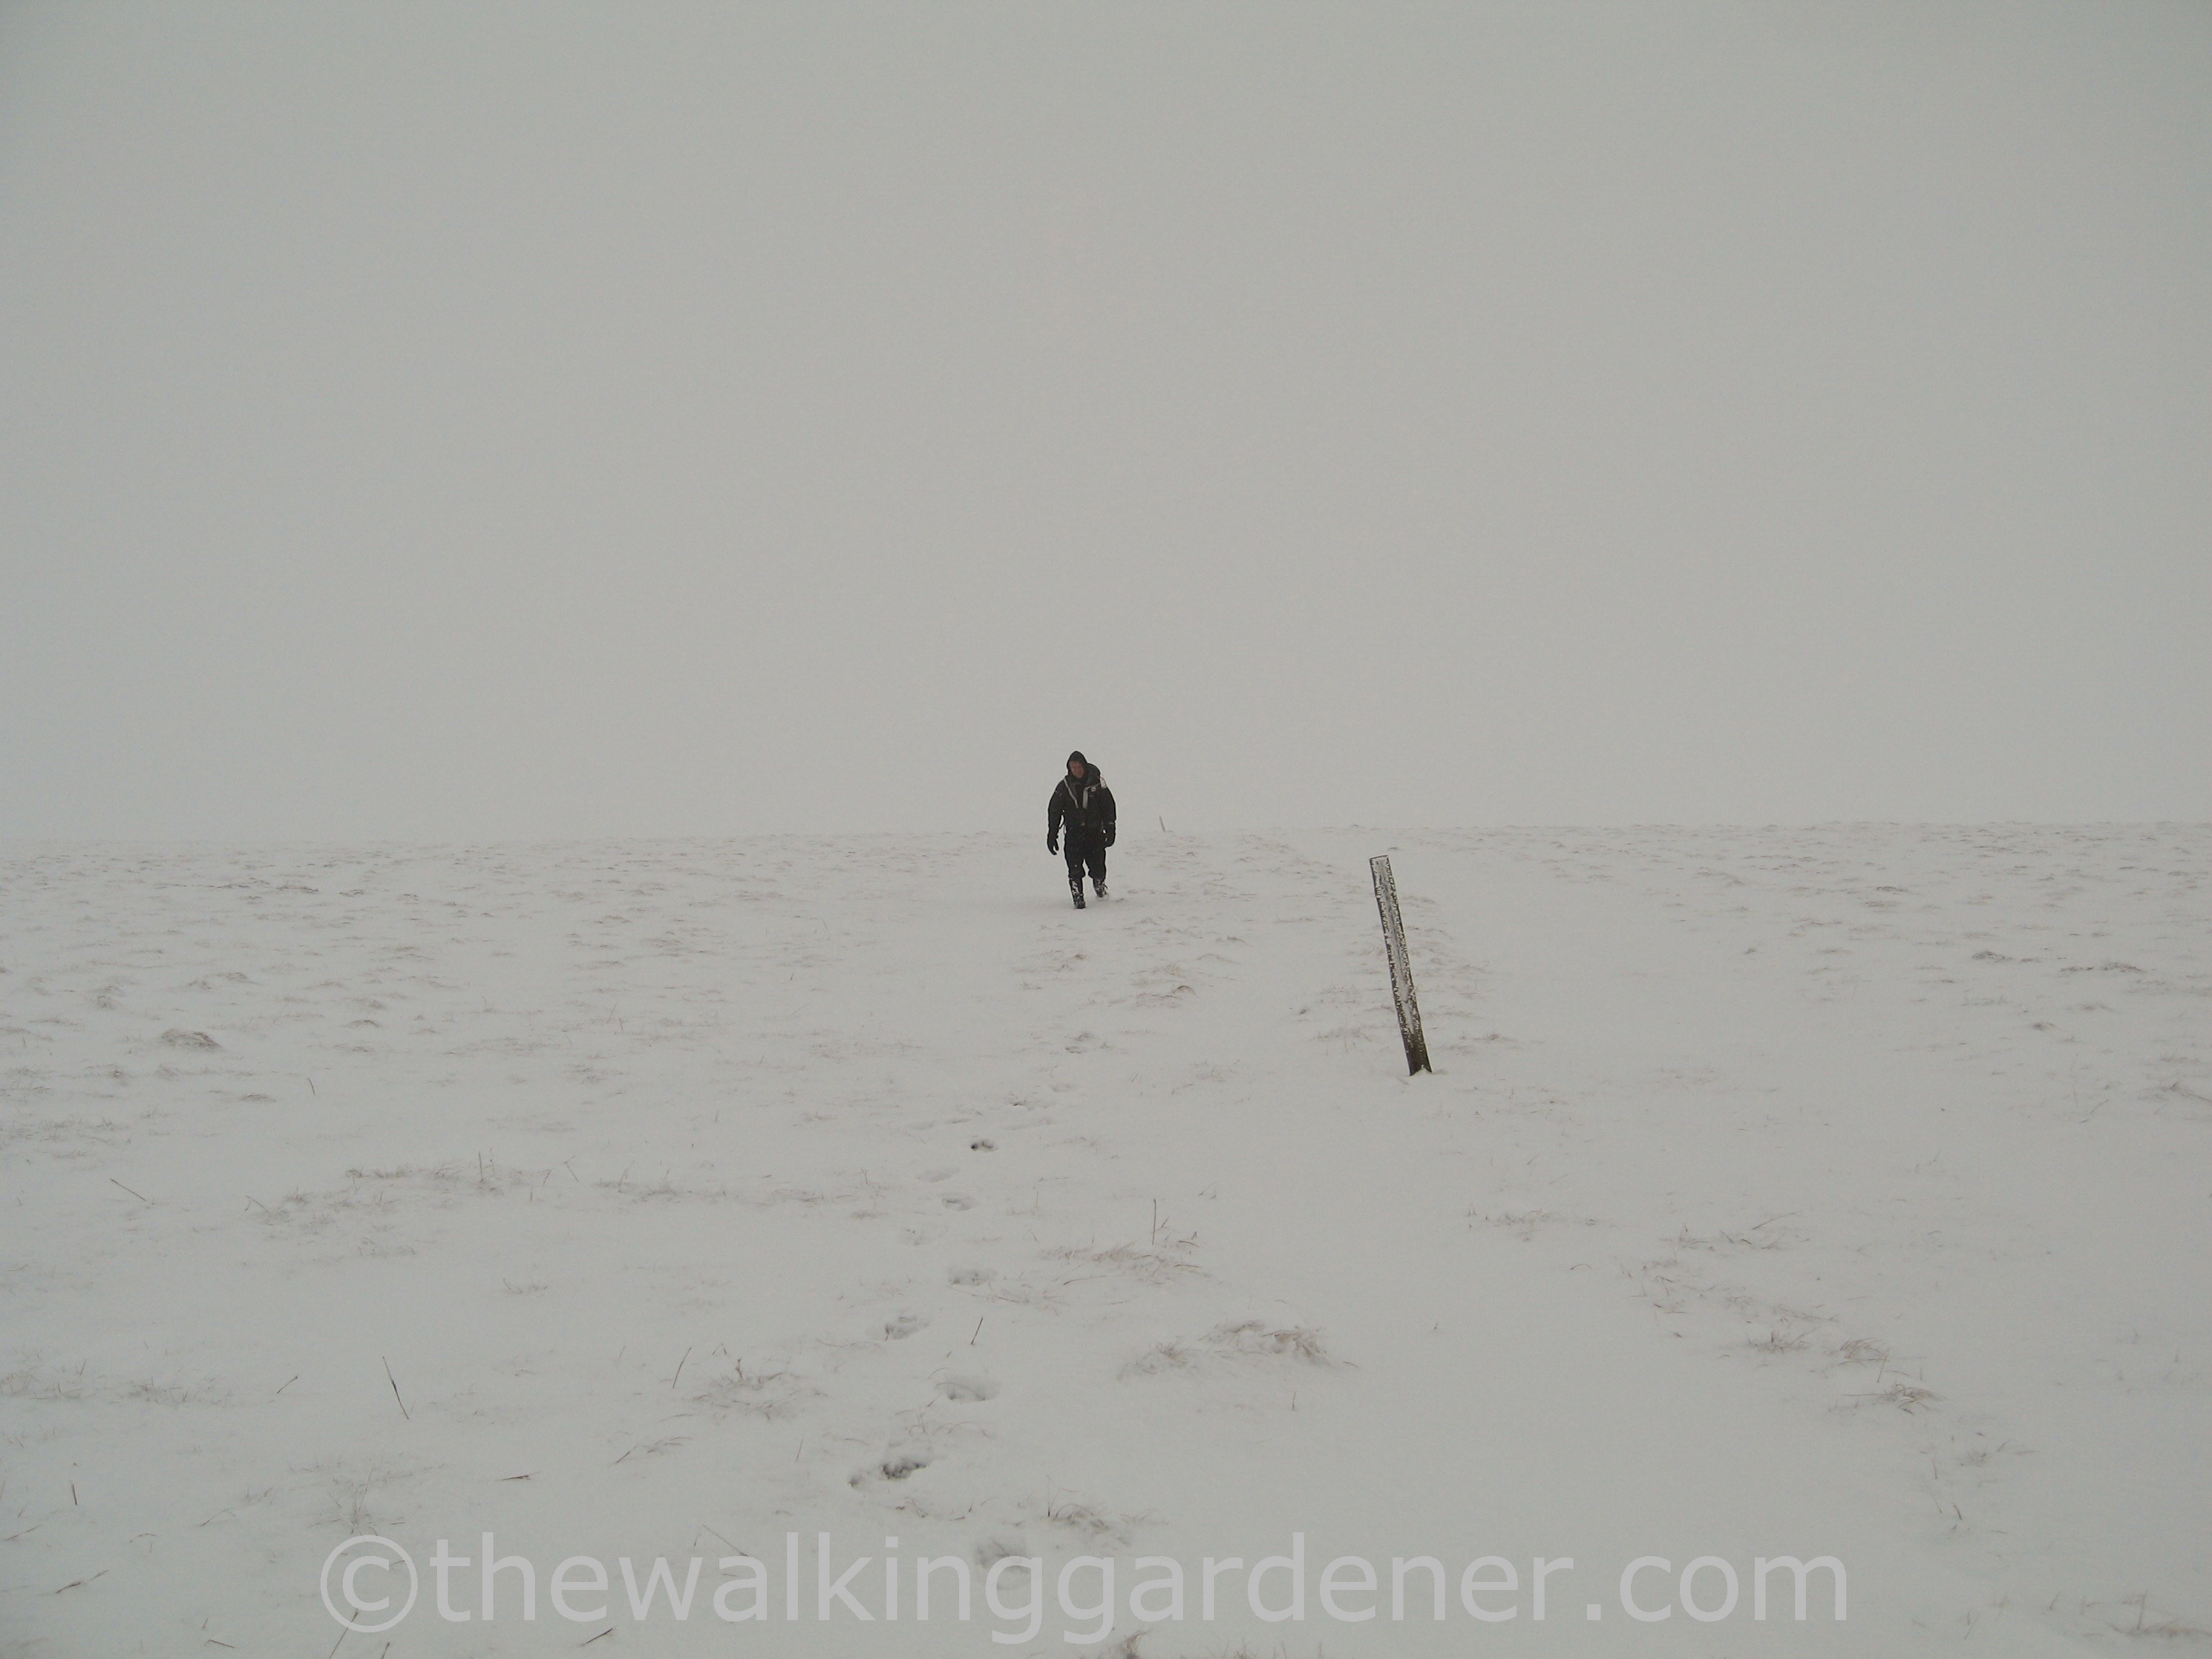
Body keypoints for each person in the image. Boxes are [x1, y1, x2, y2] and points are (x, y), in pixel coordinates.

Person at [1046, 750, 1116, 908]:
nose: (1076, 770)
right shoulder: (1064, 787)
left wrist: (1110, 828)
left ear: (1084, 766)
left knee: (1098, 867)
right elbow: (1054, 810)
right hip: (1073, 833)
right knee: (1074, 868)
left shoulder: (1098, 784)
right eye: (1072, 768)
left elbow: (1108, 807)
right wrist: (1052, 834)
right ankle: (1078, 896)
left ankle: (1099, 884)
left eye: (1078, 767)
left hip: (1094, 833)